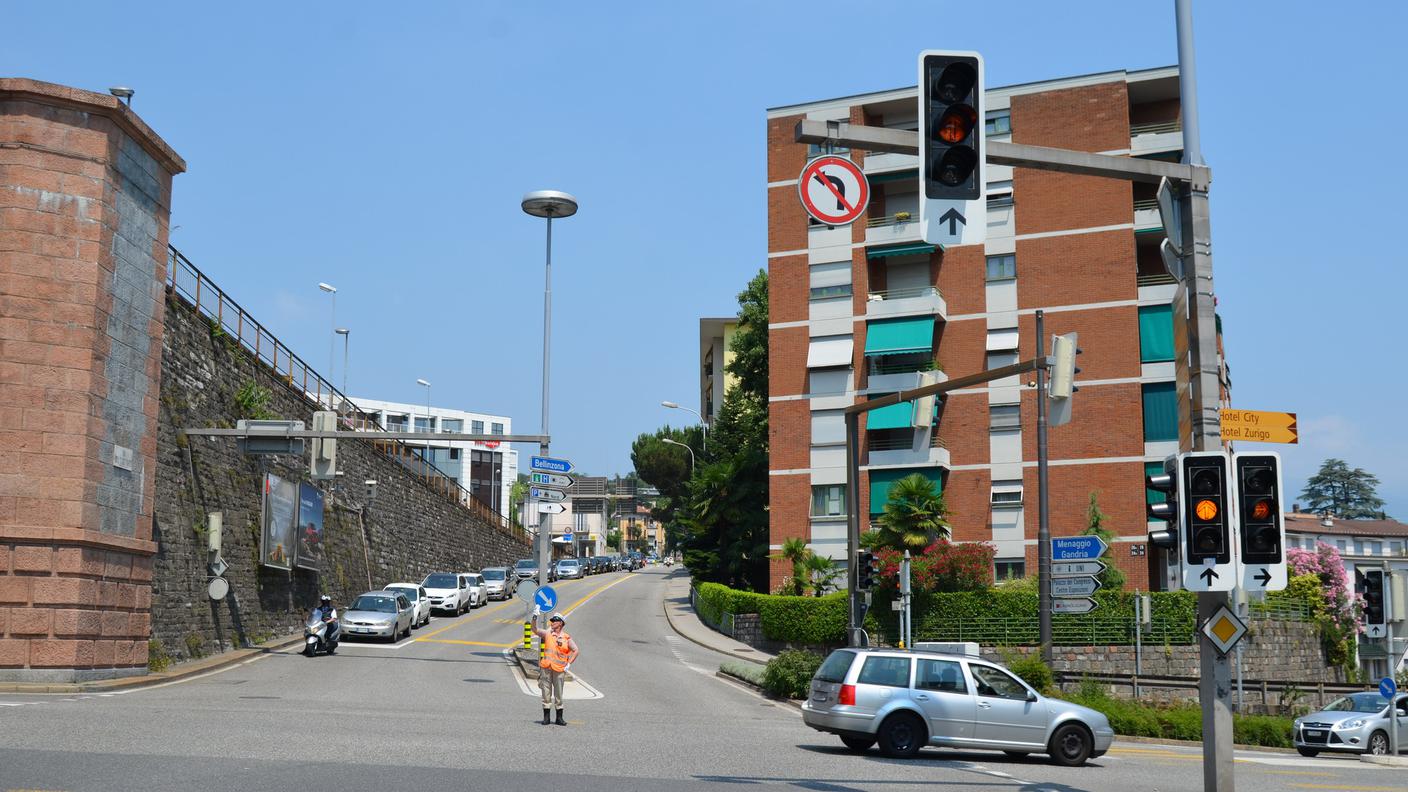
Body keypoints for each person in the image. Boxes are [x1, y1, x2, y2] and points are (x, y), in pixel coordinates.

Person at [531, 611, 579, 726]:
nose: (551, 622)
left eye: (554, 621)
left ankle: (559, 718)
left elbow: (576, 650)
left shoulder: (566, 637)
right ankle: (546, 718)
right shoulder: (548, 633)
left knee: (558, 694)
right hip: (546, 667)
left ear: (561, 623)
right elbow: (535, 630)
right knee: (546, 693)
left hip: (559, 669)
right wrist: (534, 617)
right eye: (551, 621)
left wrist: (569, 664)